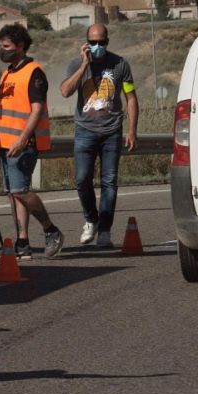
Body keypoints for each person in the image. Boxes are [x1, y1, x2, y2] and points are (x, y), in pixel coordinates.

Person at [59, 22, 138, 249]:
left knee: (109, 182)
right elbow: (64, 91)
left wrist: (132, 129)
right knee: (82, 179)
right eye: (92, 43)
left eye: (101, 42)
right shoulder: (77, 64)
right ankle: (91, 220)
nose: (97, 46)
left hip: (112, 130)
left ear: (107, 42)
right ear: (86, 43)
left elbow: (131, 98)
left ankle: (104, 230)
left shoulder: (120, 64)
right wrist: (84, 65)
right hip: (85, 130)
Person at [0, 24, 63, 260]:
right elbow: (2, 112)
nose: (3, 50)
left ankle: (51, 230)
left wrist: (22, 139)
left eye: (7, 46)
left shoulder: (34, 72)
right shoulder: (7, 74)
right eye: (1, 46)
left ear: (21, 46)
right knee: (13, 193)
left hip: (23, 144)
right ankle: (22, 243)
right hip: (4, 144)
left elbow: (37, 110)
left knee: (21, 190)